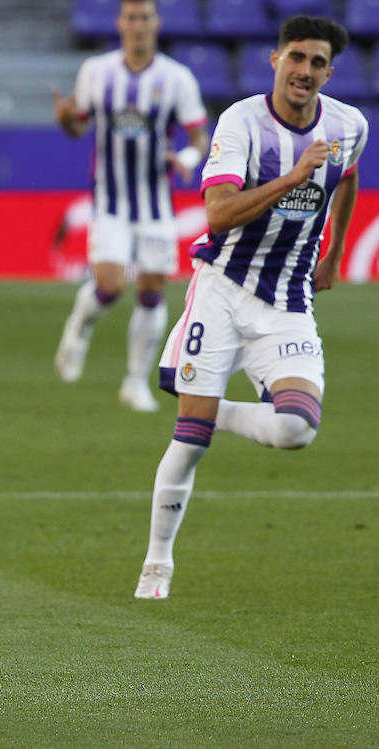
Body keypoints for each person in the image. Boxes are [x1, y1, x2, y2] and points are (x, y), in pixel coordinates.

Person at [135, 15, 364, 599]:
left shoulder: (348, 125)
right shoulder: (241, 122)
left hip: (287, 299)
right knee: (189, 441)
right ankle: (157, 561)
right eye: (296, 58)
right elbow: (218, 214)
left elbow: (348, 175)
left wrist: (335, 251)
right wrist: (293, 177)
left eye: (316, 63)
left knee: (295, 429)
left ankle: (211, 410)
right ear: (275, 60)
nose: (304, 71)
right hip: (223, 290)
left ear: (328, 73)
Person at [53, 0, 209, 411]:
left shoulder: (176, 78)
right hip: (111, 200)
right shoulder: (96, 71)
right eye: (131, 17)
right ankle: (79, 325)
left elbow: (199, 138)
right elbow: (77, 127)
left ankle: (134, 382)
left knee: (153, 292)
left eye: (145, 17)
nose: (138, 25)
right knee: (110, 284)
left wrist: (188, 160)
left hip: (156, 205)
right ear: (120, 23)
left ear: (156, 23)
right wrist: (65, 118)